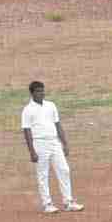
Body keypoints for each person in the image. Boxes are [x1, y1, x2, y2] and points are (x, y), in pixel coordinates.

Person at [19, 80, 84, 214]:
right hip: (39, 143)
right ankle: (47, 203)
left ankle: (68, 201)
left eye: (42, 90)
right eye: (38, 91)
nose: (41, 93)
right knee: (43, 173)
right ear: (32, 93)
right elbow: (27, 131)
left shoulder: (51, 105)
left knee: (64, 169)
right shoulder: (27, 110)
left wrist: (64, 143)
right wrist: (32, 151)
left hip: (54, 142)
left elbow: (58, 124)